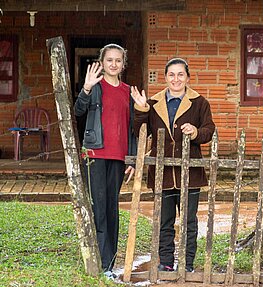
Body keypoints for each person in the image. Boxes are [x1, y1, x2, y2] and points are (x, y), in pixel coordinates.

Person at [131, 58, 215, 272]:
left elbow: (209, 130)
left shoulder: (199, 102)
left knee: (189, 222)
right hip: (163, 172)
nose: (176, 79)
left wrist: (195, 132)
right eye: (171, 74)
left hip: (190, 173)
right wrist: (141, 110)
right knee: (164, 221)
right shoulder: (153, 103)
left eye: (180, 74)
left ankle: (186, 264)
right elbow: (140, 132)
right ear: (165, 77)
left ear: (187, 77)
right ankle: (166, 262)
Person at [74, 43, 136, 279]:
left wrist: (131, 159)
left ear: (123, 64)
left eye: (118, 60)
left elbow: (132, 129)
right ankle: (101, 264)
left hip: (118, 158)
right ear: (102, 62)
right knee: (98, 208)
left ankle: (108, 262)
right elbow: (78, 111)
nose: (113, 64)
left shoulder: (128, 91)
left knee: (112, 208)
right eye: (109, 59)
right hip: (95, 156)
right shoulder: (95, 87)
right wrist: (86, 89)